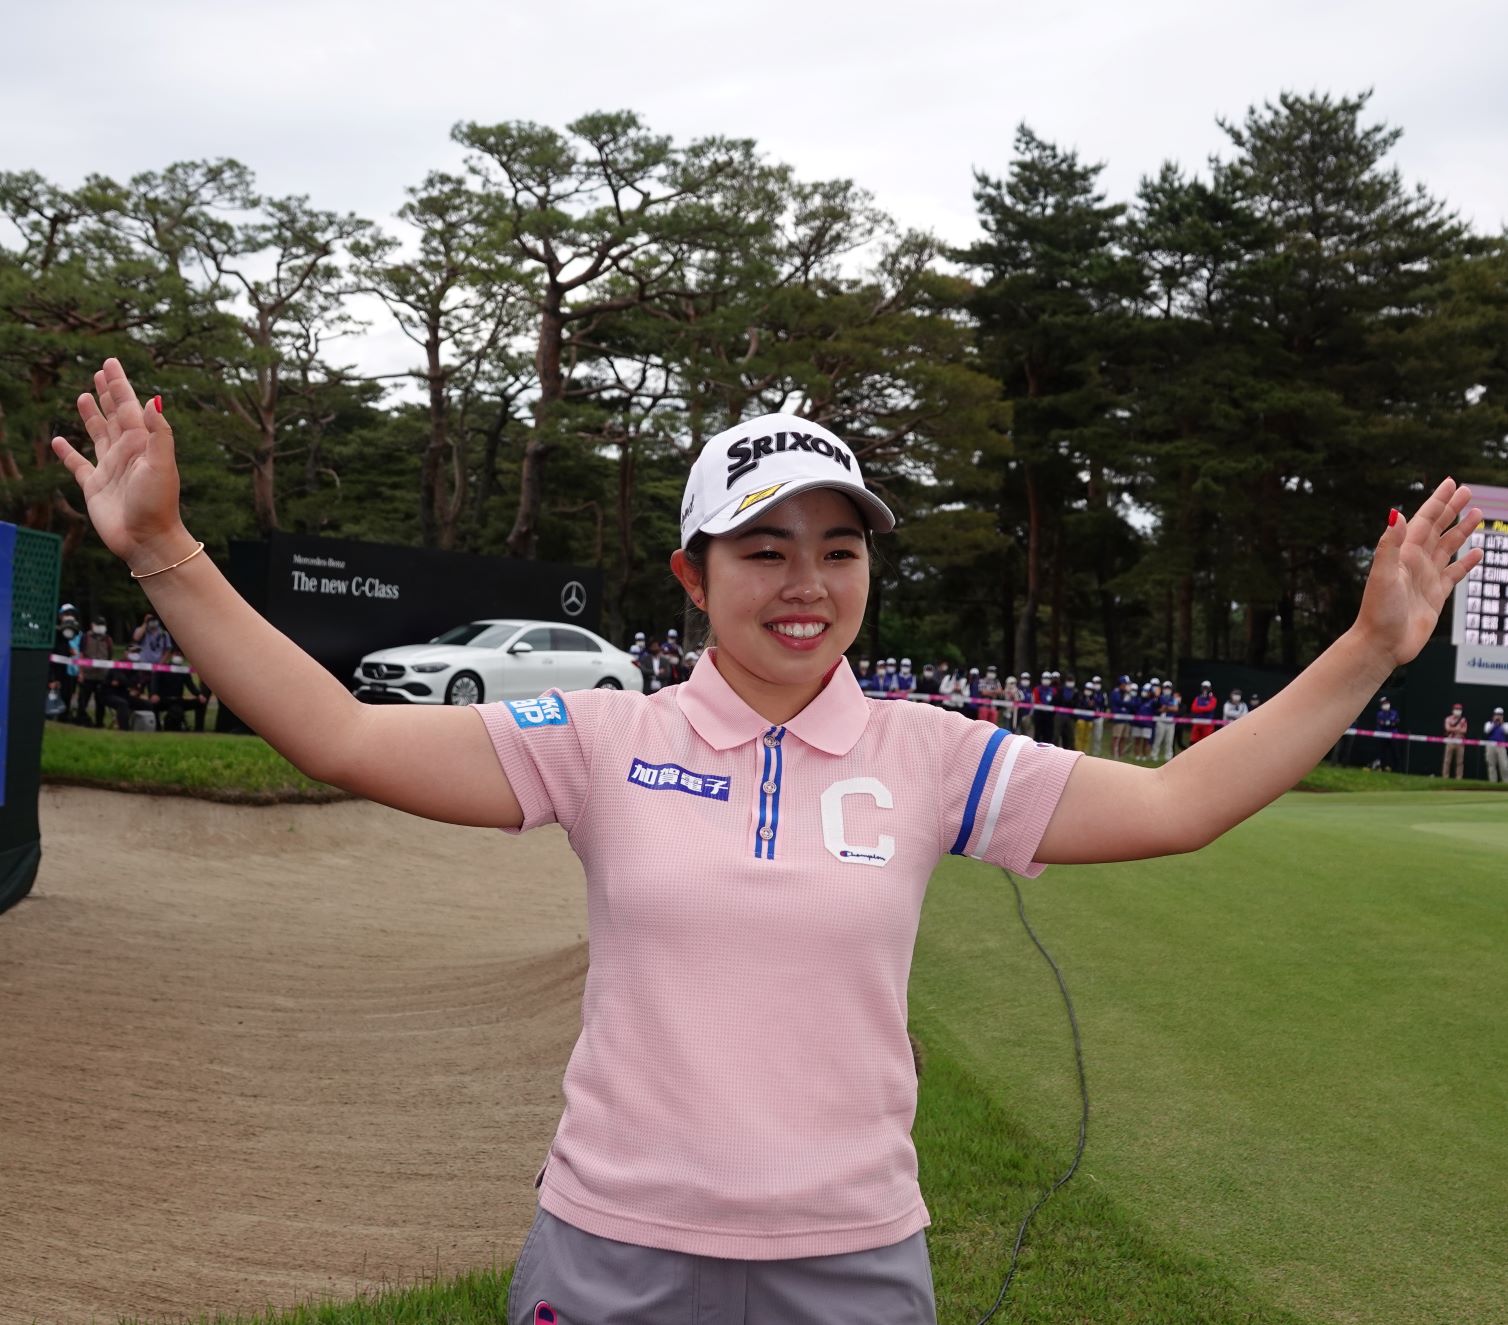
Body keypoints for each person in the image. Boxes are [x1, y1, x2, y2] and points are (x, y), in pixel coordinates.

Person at [53, 359, 1480, 1325]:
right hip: (611, 1252)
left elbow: (1180, 804)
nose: (806, 583)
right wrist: (164, 547)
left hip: (850, 1262)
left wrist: (1368, 647)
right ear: (693, 573)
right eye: (763, 548)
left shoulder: (929, 753)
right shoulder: (602, 736)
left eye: (838, 549)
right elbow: (340, 735)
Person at [153, 650, 209, 731]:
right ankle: (158, 727)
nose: (178, 656)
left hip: (179, 700)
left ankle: (199, 728)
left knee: (201, 702)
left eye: (180, 655)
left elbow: (190, 685)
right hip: (165, 700)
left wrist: (199, 695)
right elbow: (155, 682)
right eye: (176, 654)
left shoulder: (183, 670)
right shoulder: (163, 669)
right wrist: (154, 693)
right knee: (153, 704)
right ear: (171, 655)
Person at [51, 604, 83, 722]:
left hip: (72, 669)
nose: (69, 616)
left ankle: (64, 716)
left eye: (72, 614)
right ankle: (51, 714)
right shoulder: (56, 632)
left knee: (68, 693)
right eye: (66, 614)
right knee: (55, 692)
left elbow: (81, 652)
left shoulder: (79, 633)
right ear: (60, 616)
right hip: (57, 668)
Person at [1151, 683, 1180, 762]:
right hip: (1161, 721)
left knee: (1169, 741)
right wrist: (1169, 708)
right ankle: (1154, 755)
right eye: (1166, 688)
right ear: (1163, 689)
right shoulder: (1159, 697)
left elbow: (1175, 709)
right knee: (1158, 740)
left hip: (1171, 722)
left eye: (1168, 688)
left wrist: (1166, 708)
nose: (1167, 689)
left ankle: (1168, 757)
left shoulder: (1173, 698)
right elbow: (1157, 709)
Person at [1442, 702, 1468, 779]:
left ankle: (1459, 777)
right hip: (1450, 740)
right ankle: (1445, 776)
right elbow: (1447, 728)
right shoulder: (1448, 719)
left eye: (1459, 709)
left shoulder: (1463, 720)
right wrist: (1457, 729)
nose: (1458, 711)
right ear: (1453, 710)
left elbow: (1464, 730)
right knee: (1447, 760)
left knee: (1460, 761)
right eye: (1456, 709)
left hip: (1460, 742)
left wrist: (1453, 729)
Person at [1482, 707, 1508, 782]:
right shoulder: (1489, 723)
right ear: (1493, 715)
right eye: (1497, 714)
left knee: (1504, 765)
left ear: (1502, 716)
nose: (1498, 716)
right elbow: (1486, 731)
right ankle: (1493, 782)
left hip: (1501, 746)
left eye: (1500, 715)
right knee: (1491, 765)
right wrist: (1494, 723)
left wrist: (1501, 723)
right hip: (1490, 745)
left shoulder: (1505, 724)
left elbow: (1506, 731)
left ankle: (1506, 782)